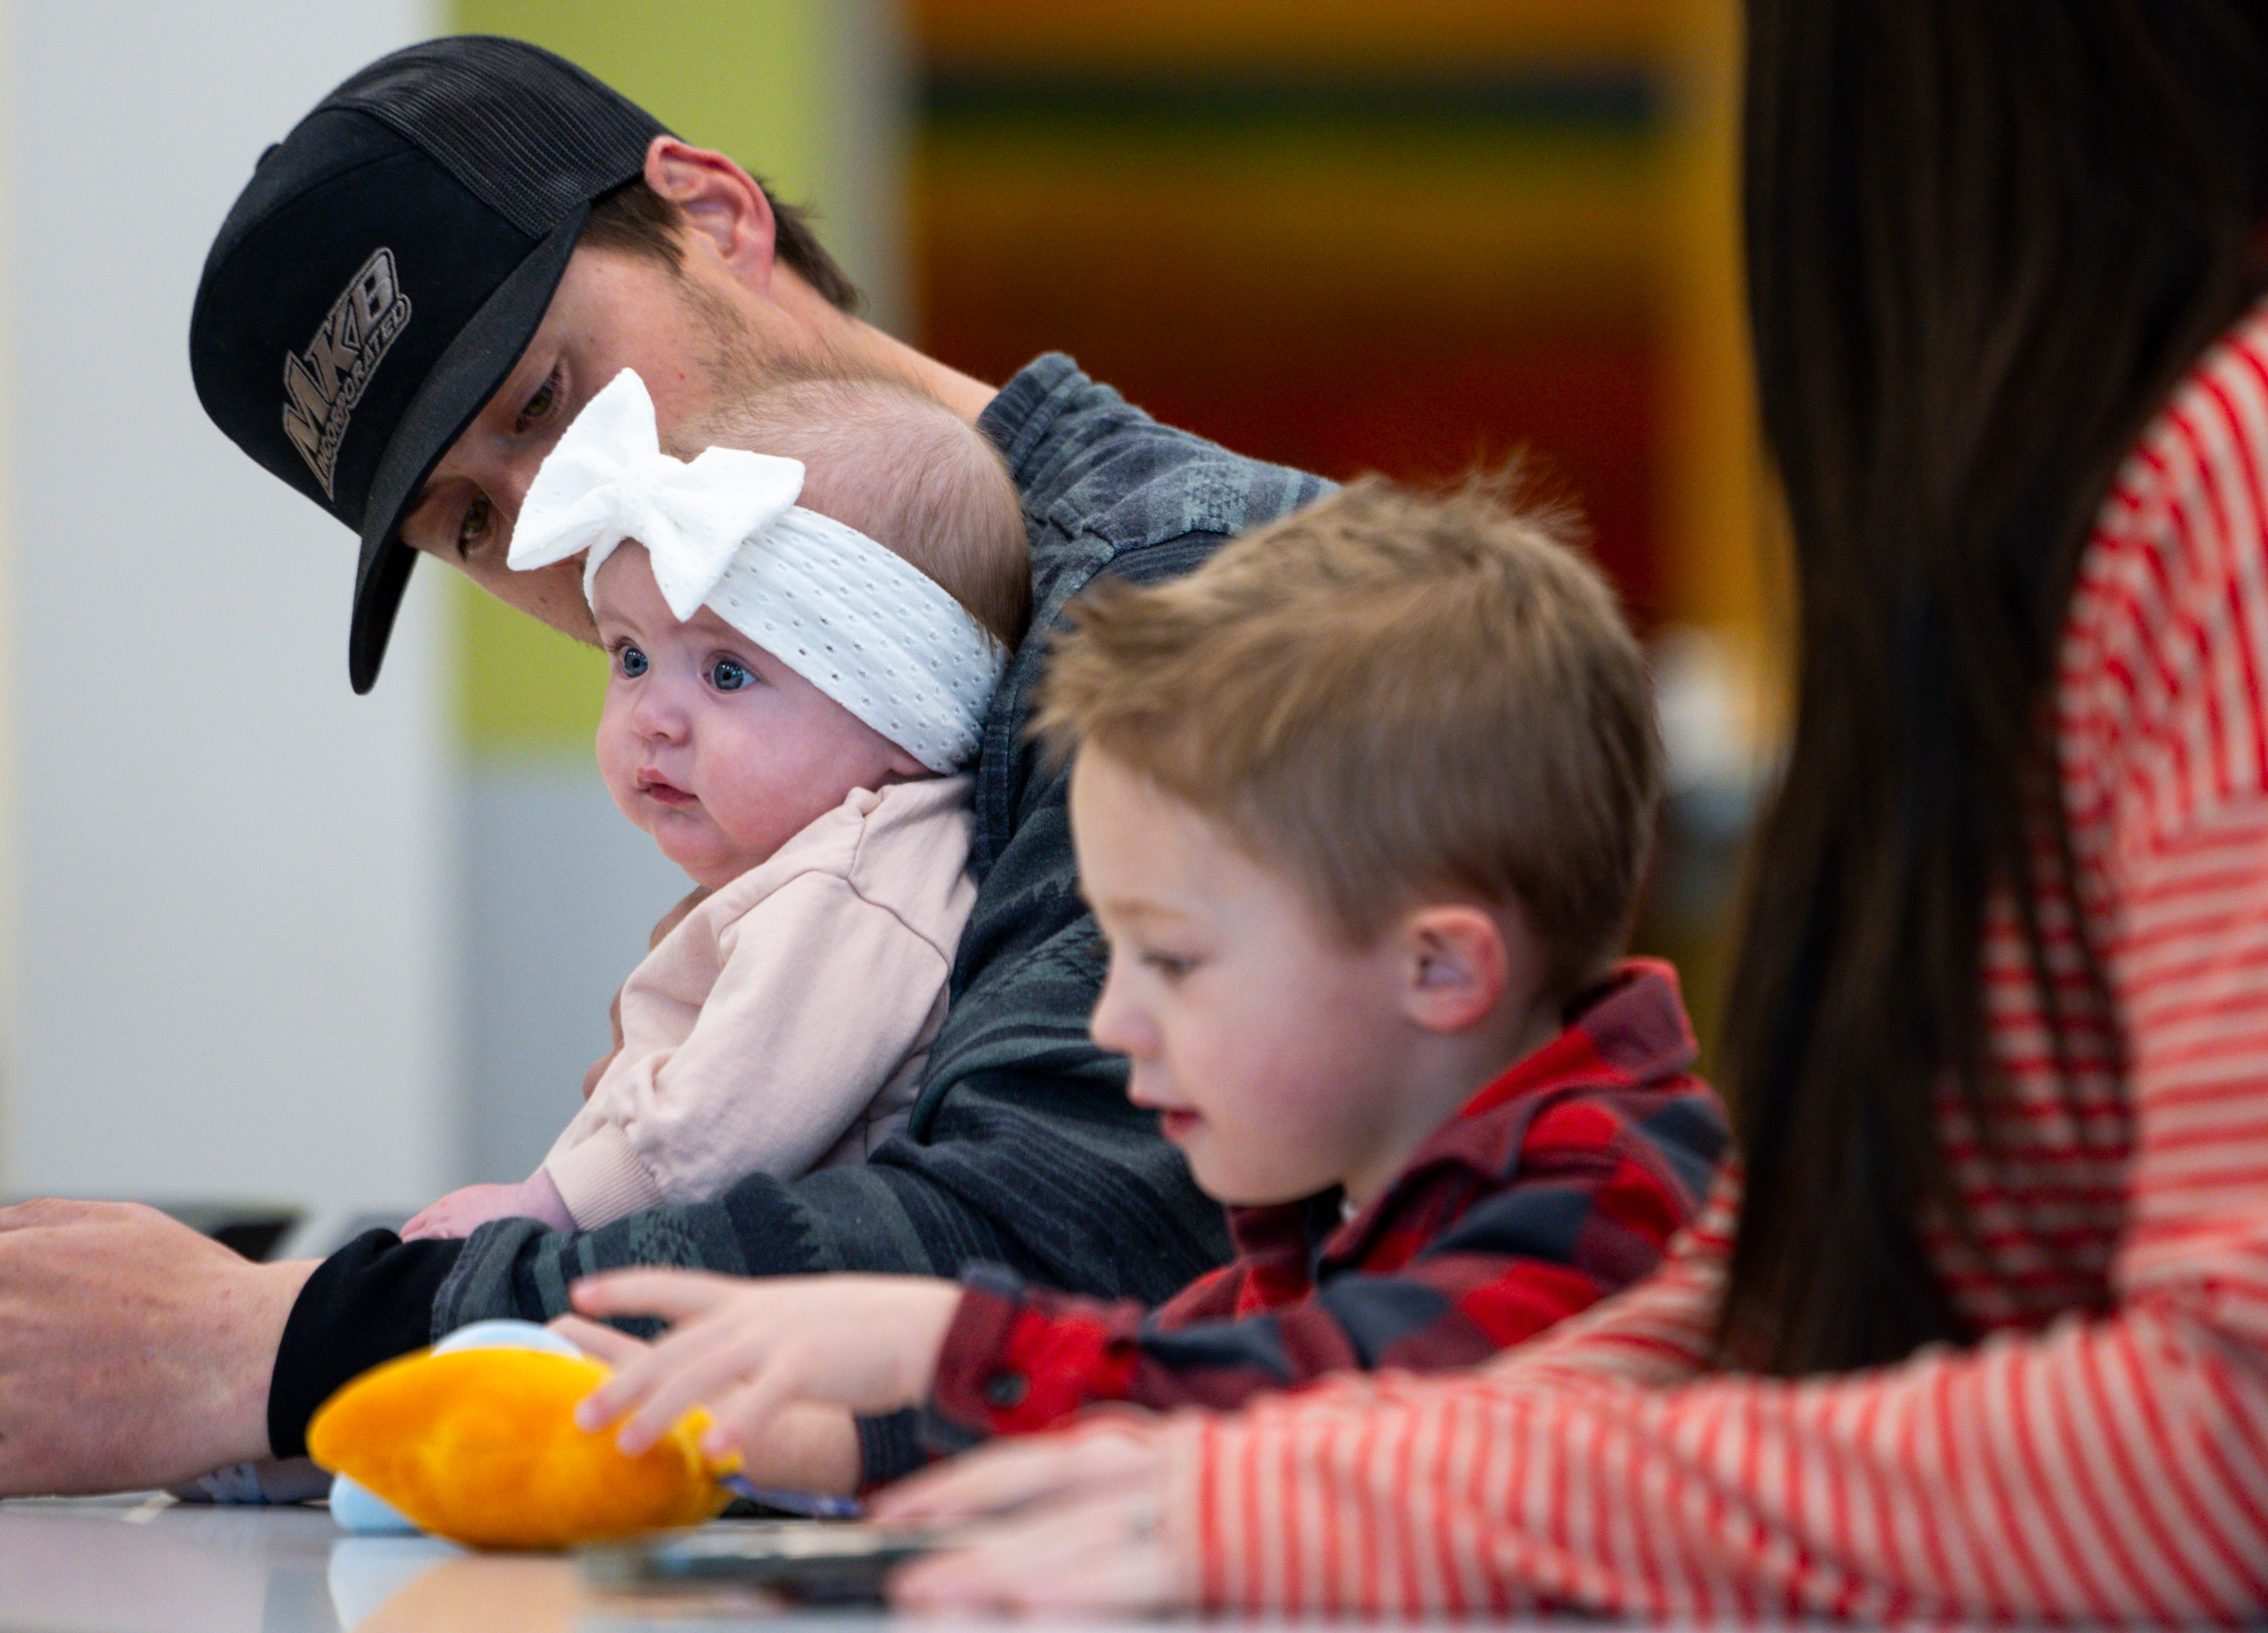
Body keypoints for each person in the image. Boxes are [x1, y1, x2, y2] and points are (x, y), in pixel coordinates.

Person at [875, 2, 2268, 1621]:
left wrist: (1350, 1494)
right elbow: (1782, 1308)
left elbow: (2230, 1443)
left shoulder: (2227, 468)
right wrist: (1259, 1470)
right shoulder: (2087, 500)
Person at [0, 34, 1331, 1501]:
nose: (550, 531)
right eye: (465, 522)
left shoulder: (1204, 604)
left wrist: (285, 1347)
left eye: (542, 400)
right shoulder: (790, 756)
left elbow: (1063, 1244)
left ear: (716, 215)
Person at [561, 475, 1727, 1486]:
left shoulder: (1616, 1198)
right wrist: (785, 1437)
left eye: (1169, 960)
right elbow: (1143, 1402)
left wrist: (946, 1340)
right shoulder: (1333, 1197)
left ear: (1439, 968)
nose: (1116, 1022)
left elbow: (1339, 1415)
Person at [402, 365, 1027, 1241]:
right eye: (629, 657)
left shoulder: (857, 882)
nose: (650, 716)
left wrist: (543, 1207)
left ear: (905, 714)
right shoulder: (812, 866)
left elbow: (732, 1117)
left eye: (727, 672)